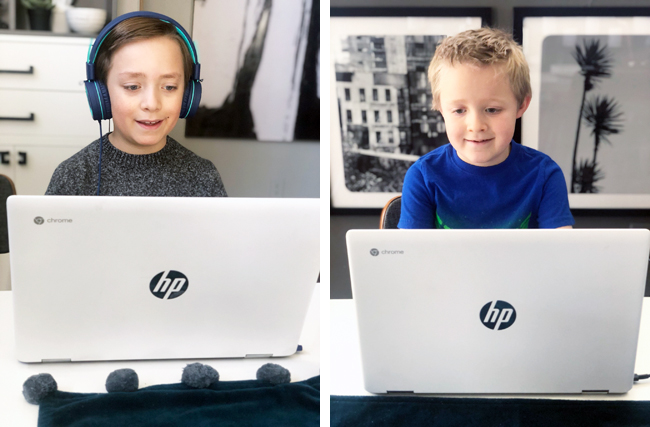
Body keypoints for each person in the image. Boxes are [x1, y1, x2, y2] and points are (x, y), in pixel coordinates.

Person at [398, 28, 573, 229]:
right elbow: (410, 258)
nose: (476, 126)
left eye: (492, 109)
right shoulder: (422, 176)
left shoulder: (544, 175)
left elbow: (561, 255)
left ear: (521, 105)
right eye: (459, 110)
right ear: (440, 108)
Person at [46, 14, 227, 197]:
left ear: (188, 94)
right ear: (101, 93)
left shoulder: (204, 178)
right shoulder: (71, 177)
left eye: (169, 87)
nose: (152, 104)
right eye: (132, 86)